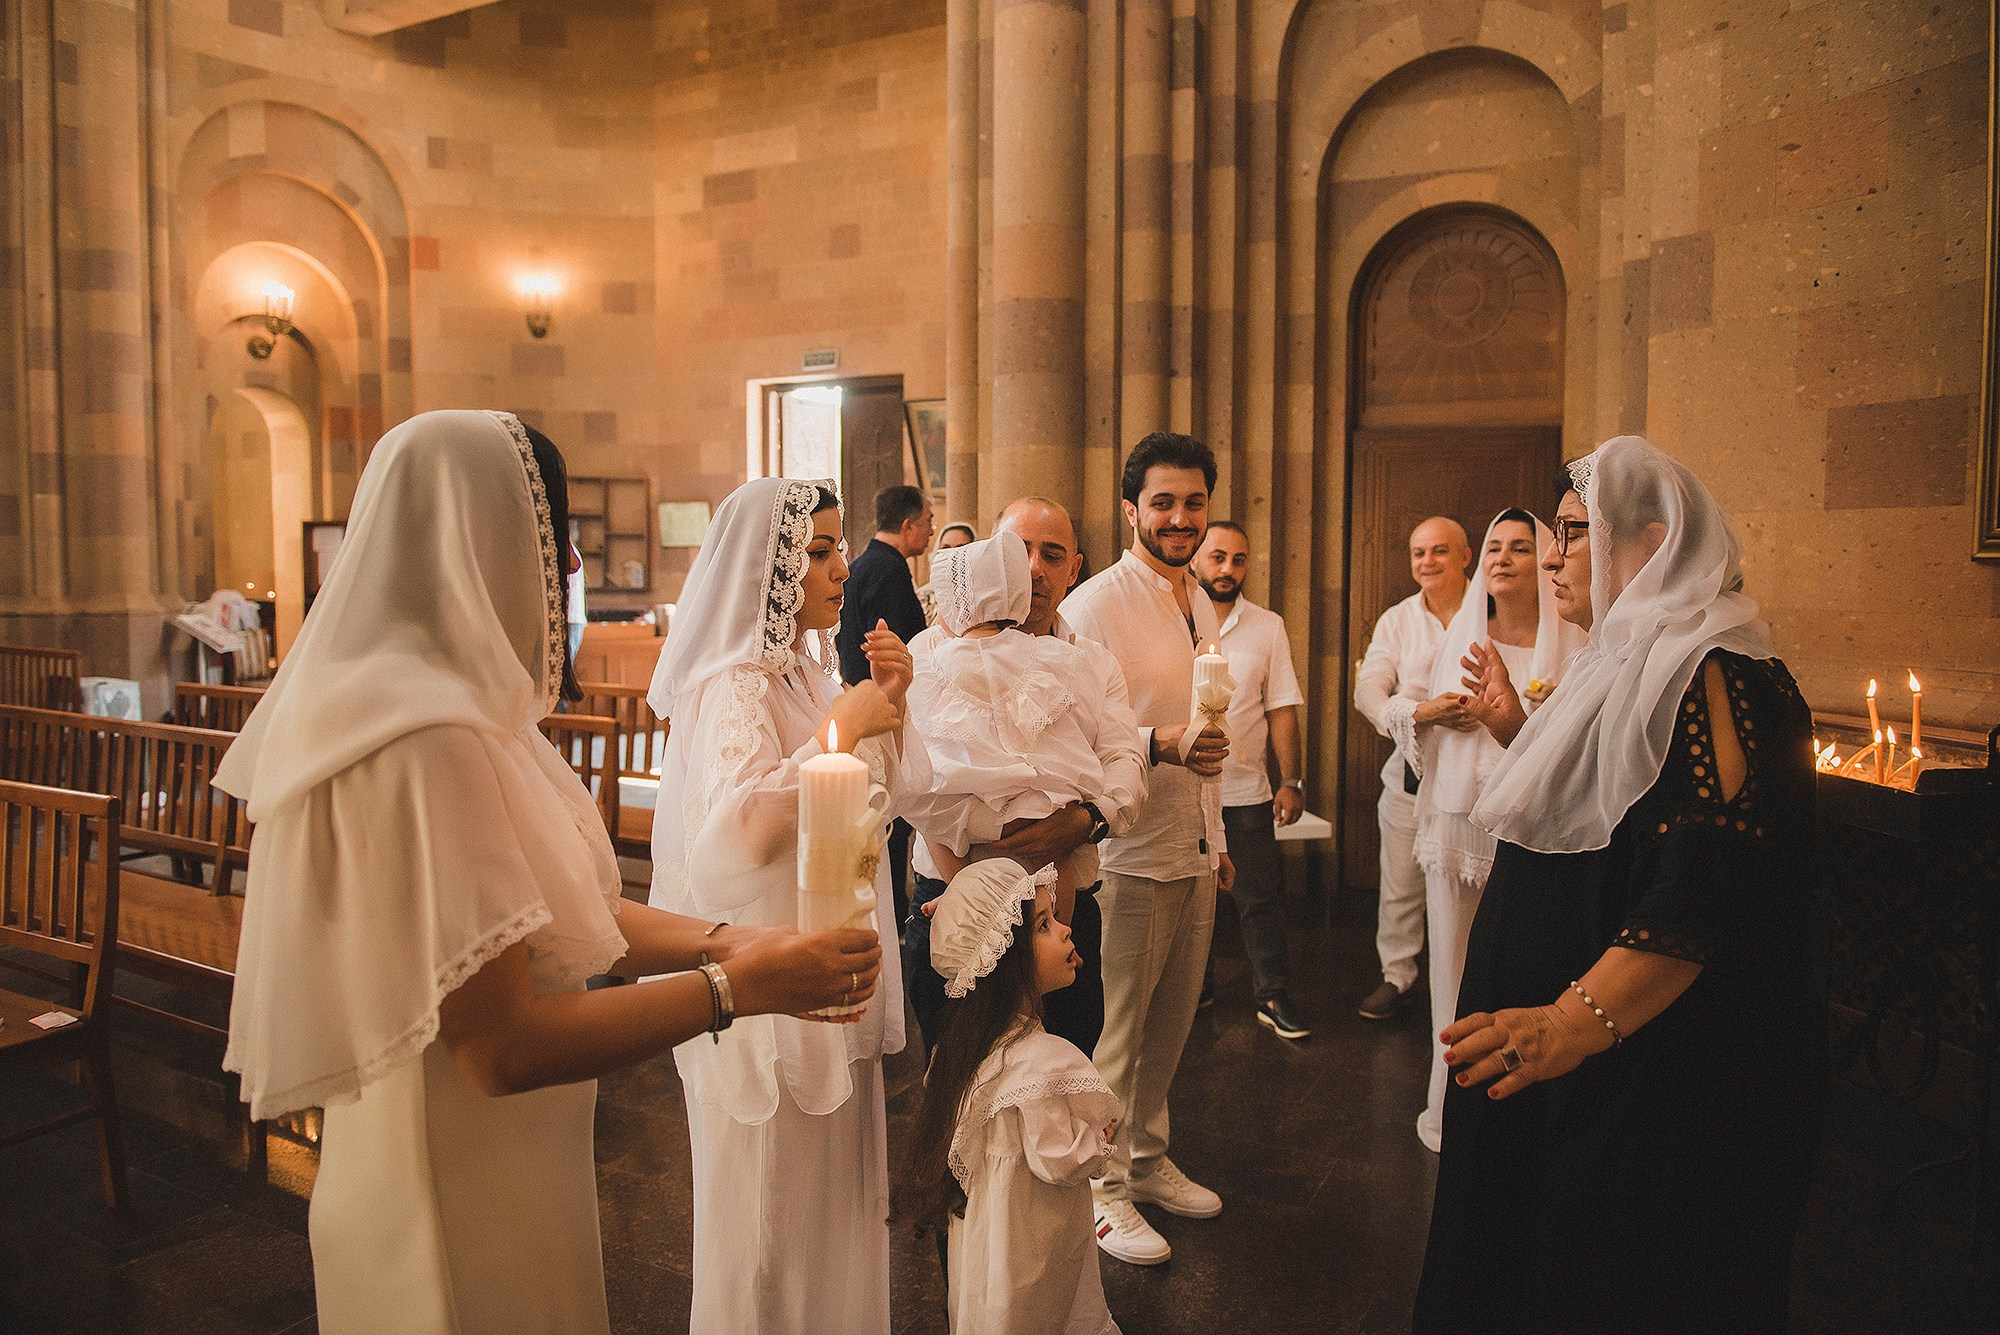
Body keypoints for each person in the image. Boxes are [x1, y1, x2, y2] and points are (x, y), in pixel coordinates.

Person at [216, 411, 881, 1335]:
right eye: (551, 531)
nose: (569, 563)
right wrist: (737, 986)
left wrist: (736, 940)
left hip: (515, 1153)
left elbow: (577, 911)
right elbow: (500, 1045)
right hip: (452, 1175)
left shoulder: (462, 716)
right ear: (477, 535)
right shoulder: (421, 741)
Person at [1414, 436, 1824, 1333]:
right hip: (1579, 1056)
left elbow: (1702, 885)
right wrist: (1517, 727)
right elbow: (1606, 811)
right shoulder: (1625, 655)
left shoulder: (1713, 671)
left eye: (1574, 532)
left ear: (1654, 540)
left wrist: (1567, 1021)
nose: (1553, 555)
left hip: (1647, 1071)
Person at [647, 476, 928, 1335]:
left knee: (830, 1212)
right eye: (819, 551)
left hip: (829, 954)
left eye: (838, 548)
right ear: (767, 569)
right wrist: (842, 728)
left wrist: (890, 701)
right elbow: (732, 839)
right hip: (768, 985)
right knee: (770, 1227)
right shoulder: (733, 682)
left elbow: (884, 797)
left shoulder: (806, 669)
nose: (842, 568)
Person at [1062, 432, 1233, 1267]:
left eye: (1193, 502)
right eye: (1162, 502)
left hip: (1191, 844)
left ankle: (1148, 1157)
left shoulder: (1197, 596)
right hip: (1128, 856)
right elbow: (1072, 735)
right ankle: (1101, 1188)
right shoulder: (1095, 606)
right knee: (1119, 1036)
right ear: (1130, 509)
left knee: (1170, 1028)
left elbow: (1211, 725)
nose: (1179, 518)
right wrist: (1156, 741)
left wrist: (1218, 836)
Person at [903, 498, 1145, 1061]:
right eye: (1019, 552)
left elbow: (1125, 764)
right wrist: (978, 846)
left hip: (1061, 901)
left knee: (1063, 1063)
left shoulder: (1090, 662)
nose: (1034, 569)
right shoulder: (930, 651)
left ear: (1074, 569)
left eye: (1052, 555)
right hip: (950, 900)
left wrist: (1086, 820)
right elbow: (915, 776)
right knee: (957, 1074)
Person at [1407, 509, 1583, 1153]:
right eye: (1494, 547)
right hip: (1461, 819)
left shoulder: (1576, 644)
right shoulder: (1464, 635)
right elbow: (1424, 723)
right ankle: (1448, 1107)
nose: (1503, 558)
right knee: (1452, 972)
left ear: (1547, 559)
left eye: (1521, 547)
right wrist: (1444, 716)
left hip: (1533, 826)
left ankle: (1513, 1111)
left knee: (1525, 970)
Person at [895, 858, 1122, 1335]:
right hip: (1032, 1249)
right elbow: (1061, 1159)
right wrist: (1100, 1138)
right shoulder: (1046, 1062)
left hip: (987, 1242)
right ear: (1003, 960)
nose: (1065, 929)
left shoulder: (960, 1052)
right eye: (1044, 925)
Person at [901, 534, 1120, 908]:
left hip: (964, 797)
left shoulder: (930, 664)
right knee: (1057, 861)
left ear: (957, 607)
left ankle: (965, 898)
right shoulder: (1051, 656)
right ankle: (1058, 926)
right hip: (1038, 800)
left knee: (938, 827)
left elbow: (914, 756)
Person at [1352, 517, 1475, 1021]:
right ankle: (1397, 976)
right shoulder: (1397, 620)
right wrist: (1417, 713)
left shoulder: (1491, 610)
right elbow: (1368, 689)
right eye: (1418, 553)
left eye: (1439, 551)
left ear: (1465, 556)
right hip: (1410, 772)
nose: (1427, 562)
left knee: (1471, 885)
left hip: (1477, 778)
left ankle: (1470, 985)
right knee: (1400, 884)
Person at [1191, 521, 1310, 1041]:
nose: (1227, 569)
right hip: (1183, 790)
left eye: (1238, 560)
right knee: (1191, 902)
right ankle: (1194, 991)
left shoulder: (1267, 626)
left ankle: (1272, 994)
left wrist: (1292, 780)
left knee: (1259, 899)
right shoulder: (1172, 618)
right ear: (1196, 558)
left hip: (1244, 791)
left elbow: (1281, 707)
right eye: (1218, 557)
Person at [838, 483, 935, 924]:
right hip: (880, 705)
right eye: (928, 522)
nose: (930, 532)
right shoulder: (890, 571)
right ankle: (892, 910)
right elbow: (897, 646)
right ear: (908, 524)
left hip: (860, 694)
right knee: (888, 821)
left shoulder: (865, 563)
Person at [918, 521, 978, 625]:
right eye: (946, 548)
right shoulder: (923, 596)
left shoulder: (981, 596)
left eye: (960, 548)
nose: (951, 554)